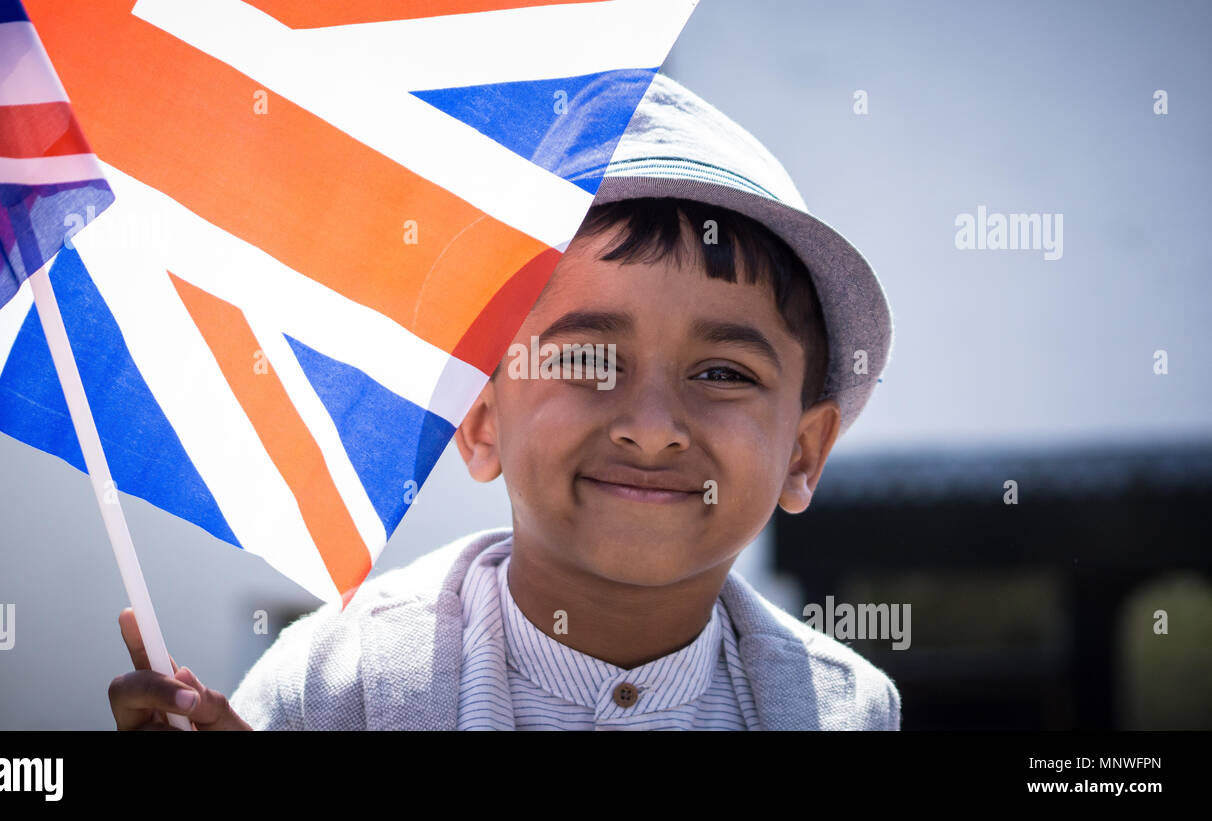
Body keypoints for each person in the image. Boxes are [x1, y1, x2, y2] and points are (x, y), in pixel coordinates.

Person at [107, 72, 899, 731]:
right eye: (588, 359)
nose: (653, 430)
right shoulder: (329, 691)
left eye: (723, 373)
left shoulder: (846, 712)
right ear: (479, 416)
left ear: (804, 451)